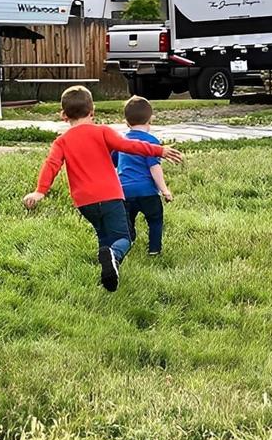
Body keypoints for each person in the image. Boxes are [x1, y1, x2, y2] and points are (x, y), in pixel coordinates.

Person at [23, 86, 183, 291]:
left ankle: (107, 277)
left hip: (84, 202)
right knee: (123, 238)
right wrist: (159, 150)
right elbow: (131, 146)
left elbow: (51, 165)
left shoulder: (61, 142)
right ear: (93, 110)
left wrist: (40, 191)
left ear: (63, 115)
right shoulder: (103, 132)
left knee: (104, 236)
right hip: (110, 196)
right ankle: (114, 258)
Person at [116, 96, 173, 256]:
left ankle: (128, 242)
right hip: (147, 192)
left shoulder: (121, 142)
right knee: (155, 220)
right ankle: (154, 249)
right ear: (150, 119)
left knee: (127, 222)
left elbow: (113, 160)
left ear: (126, 122)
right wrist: (165, 190)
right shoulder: (151, 141)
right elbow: (154, 167)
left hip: (125, 192)